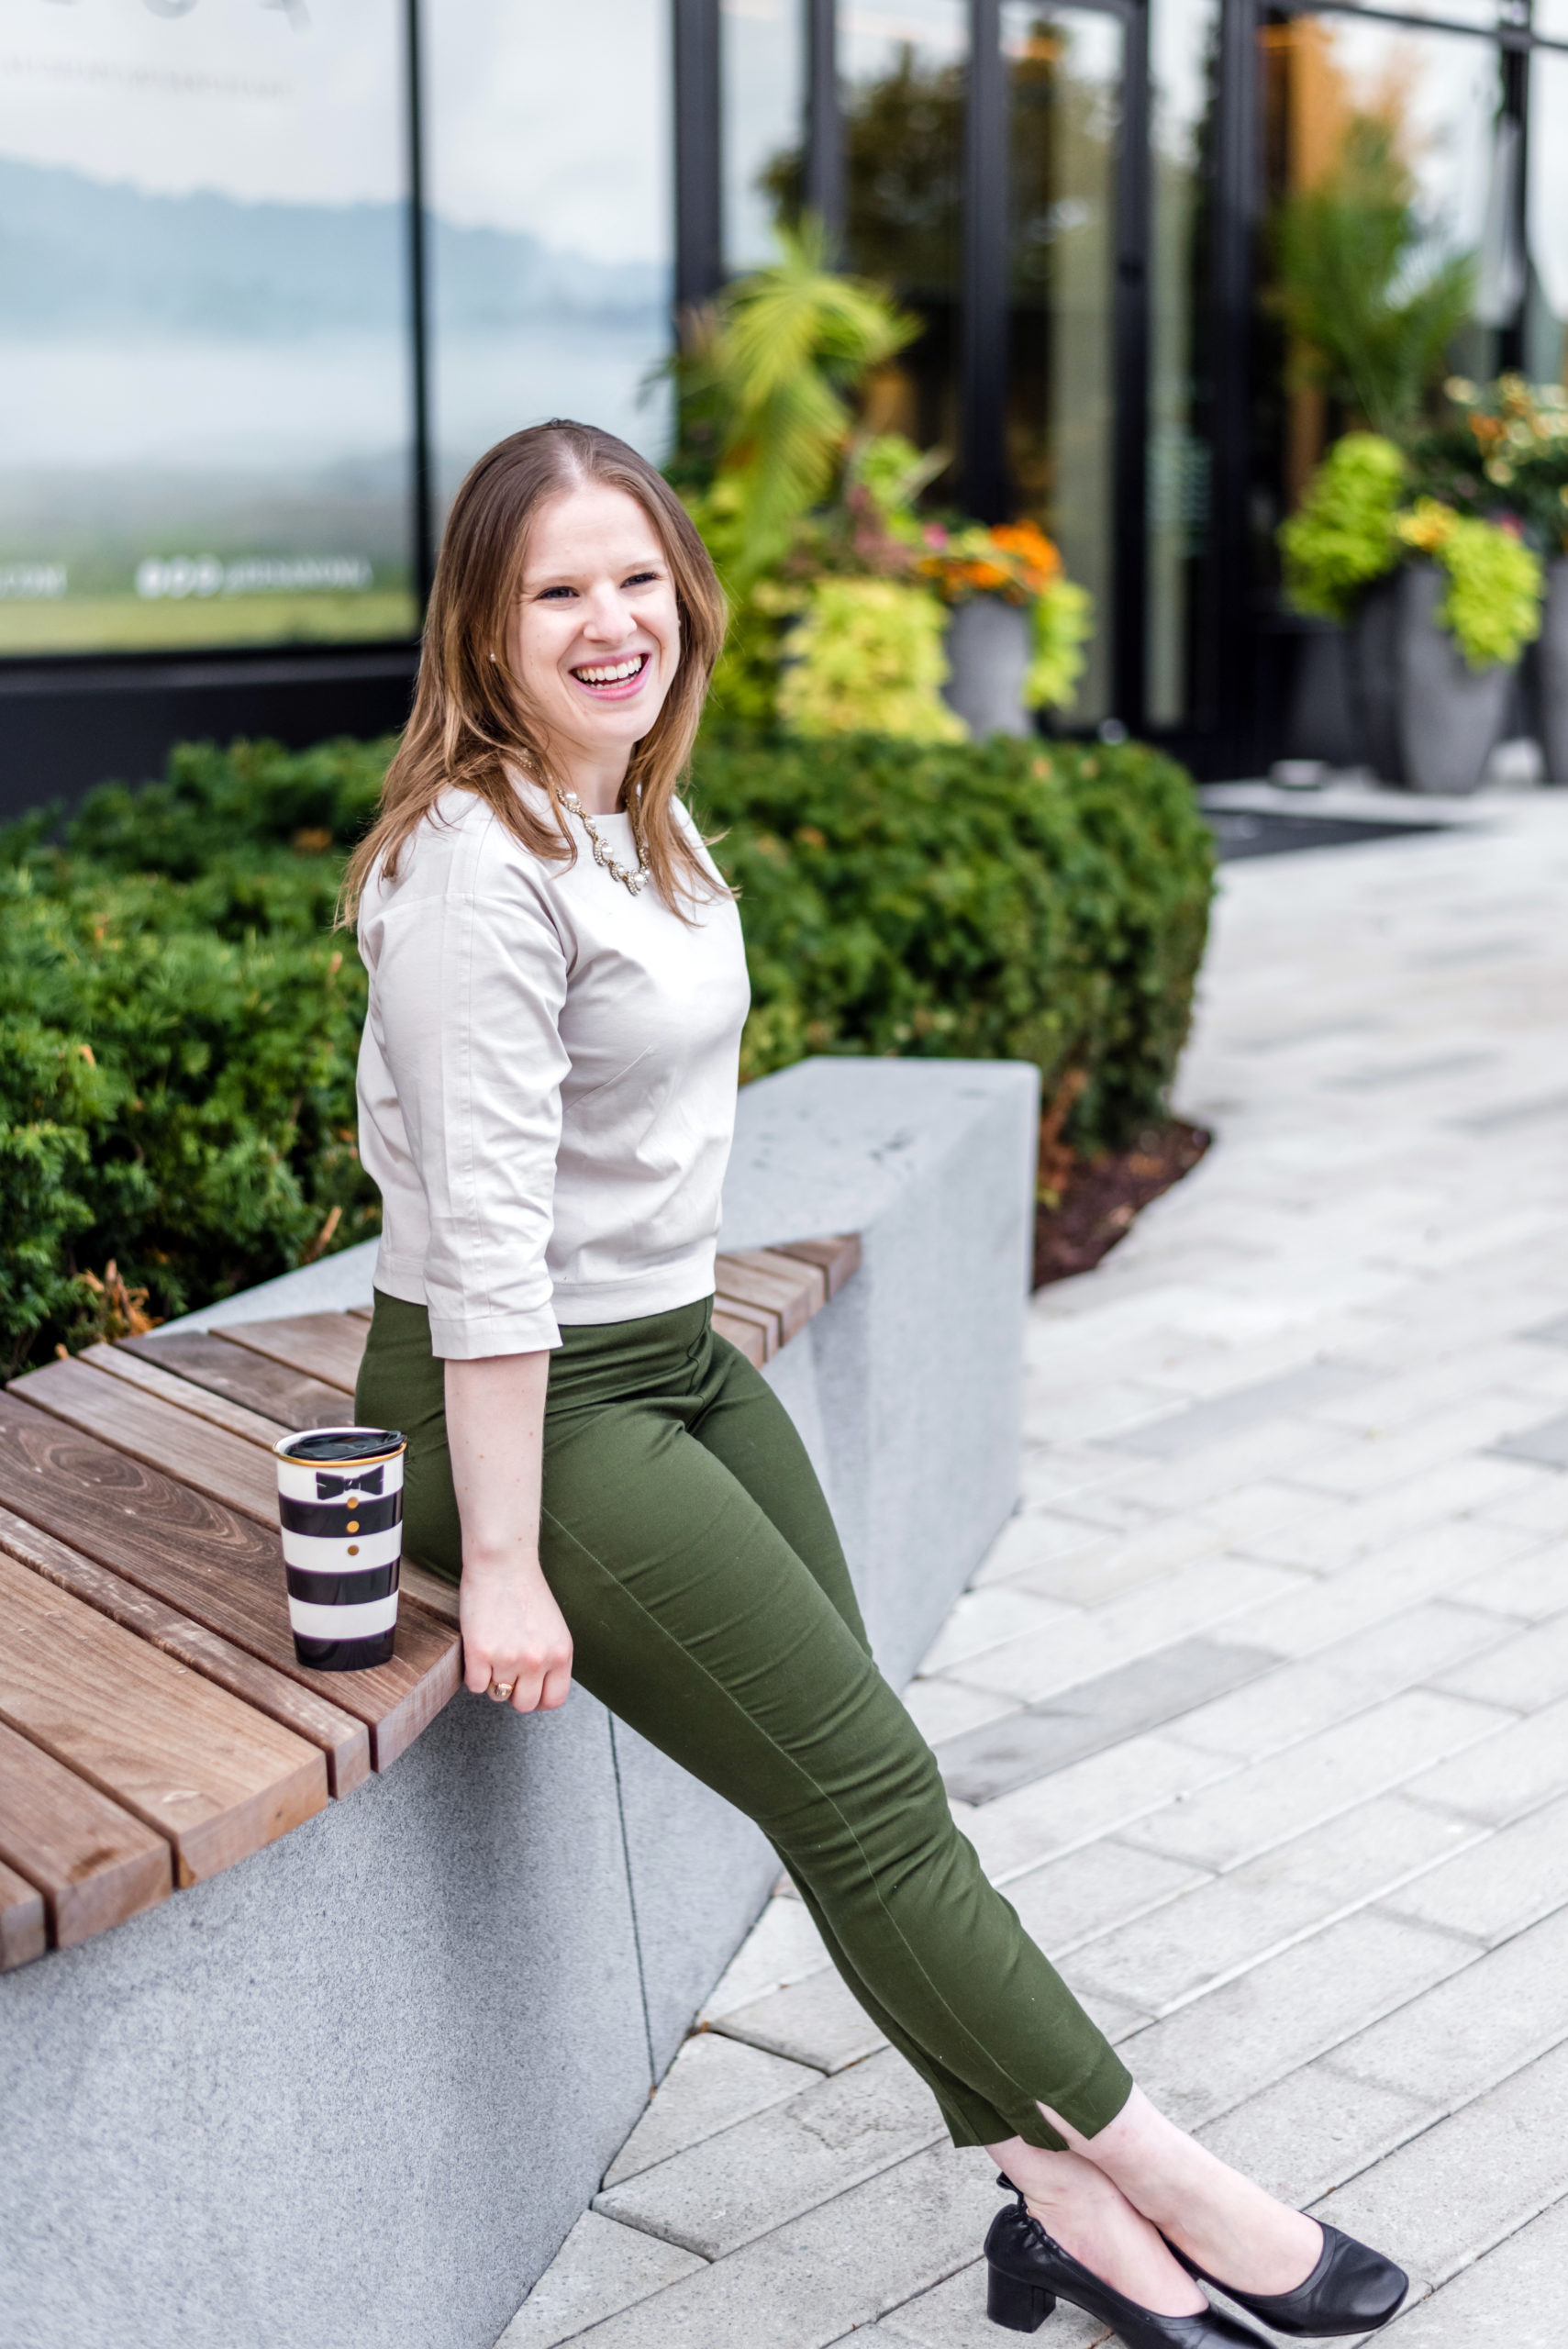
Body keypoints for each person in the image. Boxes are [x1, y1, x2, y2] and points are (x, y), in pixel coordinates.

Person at [345, 419, 1407, 2347]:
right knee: (872, 1797)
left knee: (867, 1787)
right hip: (517, 1402)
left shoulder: (633, 813)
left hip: (661, 1356)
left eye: (634, 576)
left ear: (683, 589)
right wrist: (500, 1558)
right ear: (482, 633)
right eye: (553, 590)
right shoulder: (473, 872)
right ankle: (1163, 2166)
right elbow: (493, 1251)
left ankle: (1052, 2192)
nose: (608, 621)